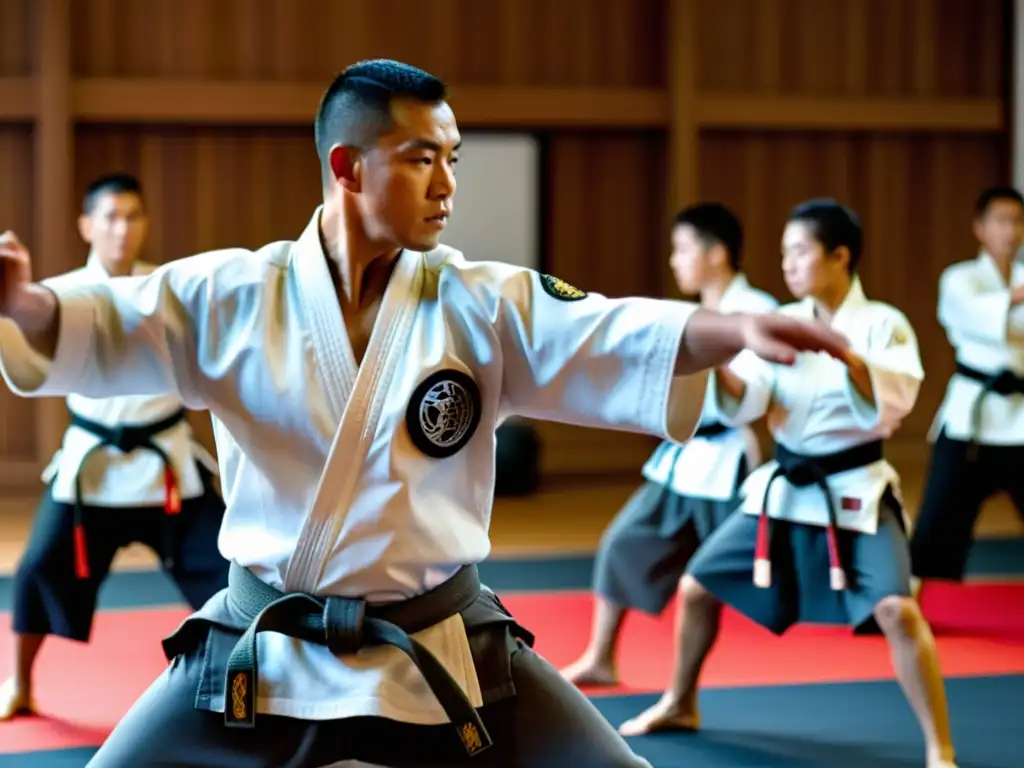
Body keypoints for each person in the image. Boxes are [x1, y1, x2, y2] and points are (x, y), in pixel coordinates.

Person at [0, 60, 849, 767]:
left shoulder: (479, 301)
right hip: (260, 642)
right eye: (420, 159)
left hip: (447, 643)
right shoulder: (233, 292)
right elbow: (110, 324)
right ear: (347, 166)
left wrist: (730, 327)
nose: (447, 185)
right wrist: (29, 306)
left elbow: (604, 330)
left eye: (454, 158)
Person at [617, 199, 959, 768]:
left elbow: (891, 402)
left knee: (898, 610)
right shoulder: (783, 321)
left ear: (840, 256)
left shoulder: (882, 323)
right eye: (784, 254)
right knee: (697, 587)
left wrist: (842, 353)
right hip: (786, 485)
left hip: (854, 488)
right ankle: (680, 701)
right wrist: (713, 359)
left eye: (800, 252)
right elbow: (747, 396)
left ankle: (939, 747)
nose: (788, 265)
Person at [0, 173, 229, 721]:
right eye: (109, 217)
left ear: (145, 224)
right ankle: (21, 680)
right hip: (92, 468)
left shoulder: (171, 288)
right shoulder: (55, 297)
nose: (122, 229)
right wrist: (16, 304)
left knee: (236, 573)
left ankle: (255, 677)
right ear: (87, 225)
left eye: (132, 216)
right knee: (37, 570)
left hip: (167, 467)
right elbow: (30, 349)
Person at [562, 202, 777, 687]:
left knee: (711, 579)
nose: (674, 261)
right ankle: (600, 656)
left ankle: (683, 690)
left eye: (682, 249)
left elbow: (755, 397)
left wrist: (716, 351)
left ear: (717, 254)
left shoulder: (758, 312)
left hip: (728, 462)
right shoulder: (685, 314)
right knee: (623, 542)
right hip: (682, 457)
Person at [910, 186, 1024, 593]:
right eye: (1000, 221)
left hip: (1021, 415)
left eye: (1017, 221)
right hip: (972, 415)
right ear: (980, 228)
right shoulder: (959, 278)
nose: (1009, 231)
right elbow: (975, 316)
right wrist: (1012, 301)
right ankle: (912, 605)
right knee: (939, 514)